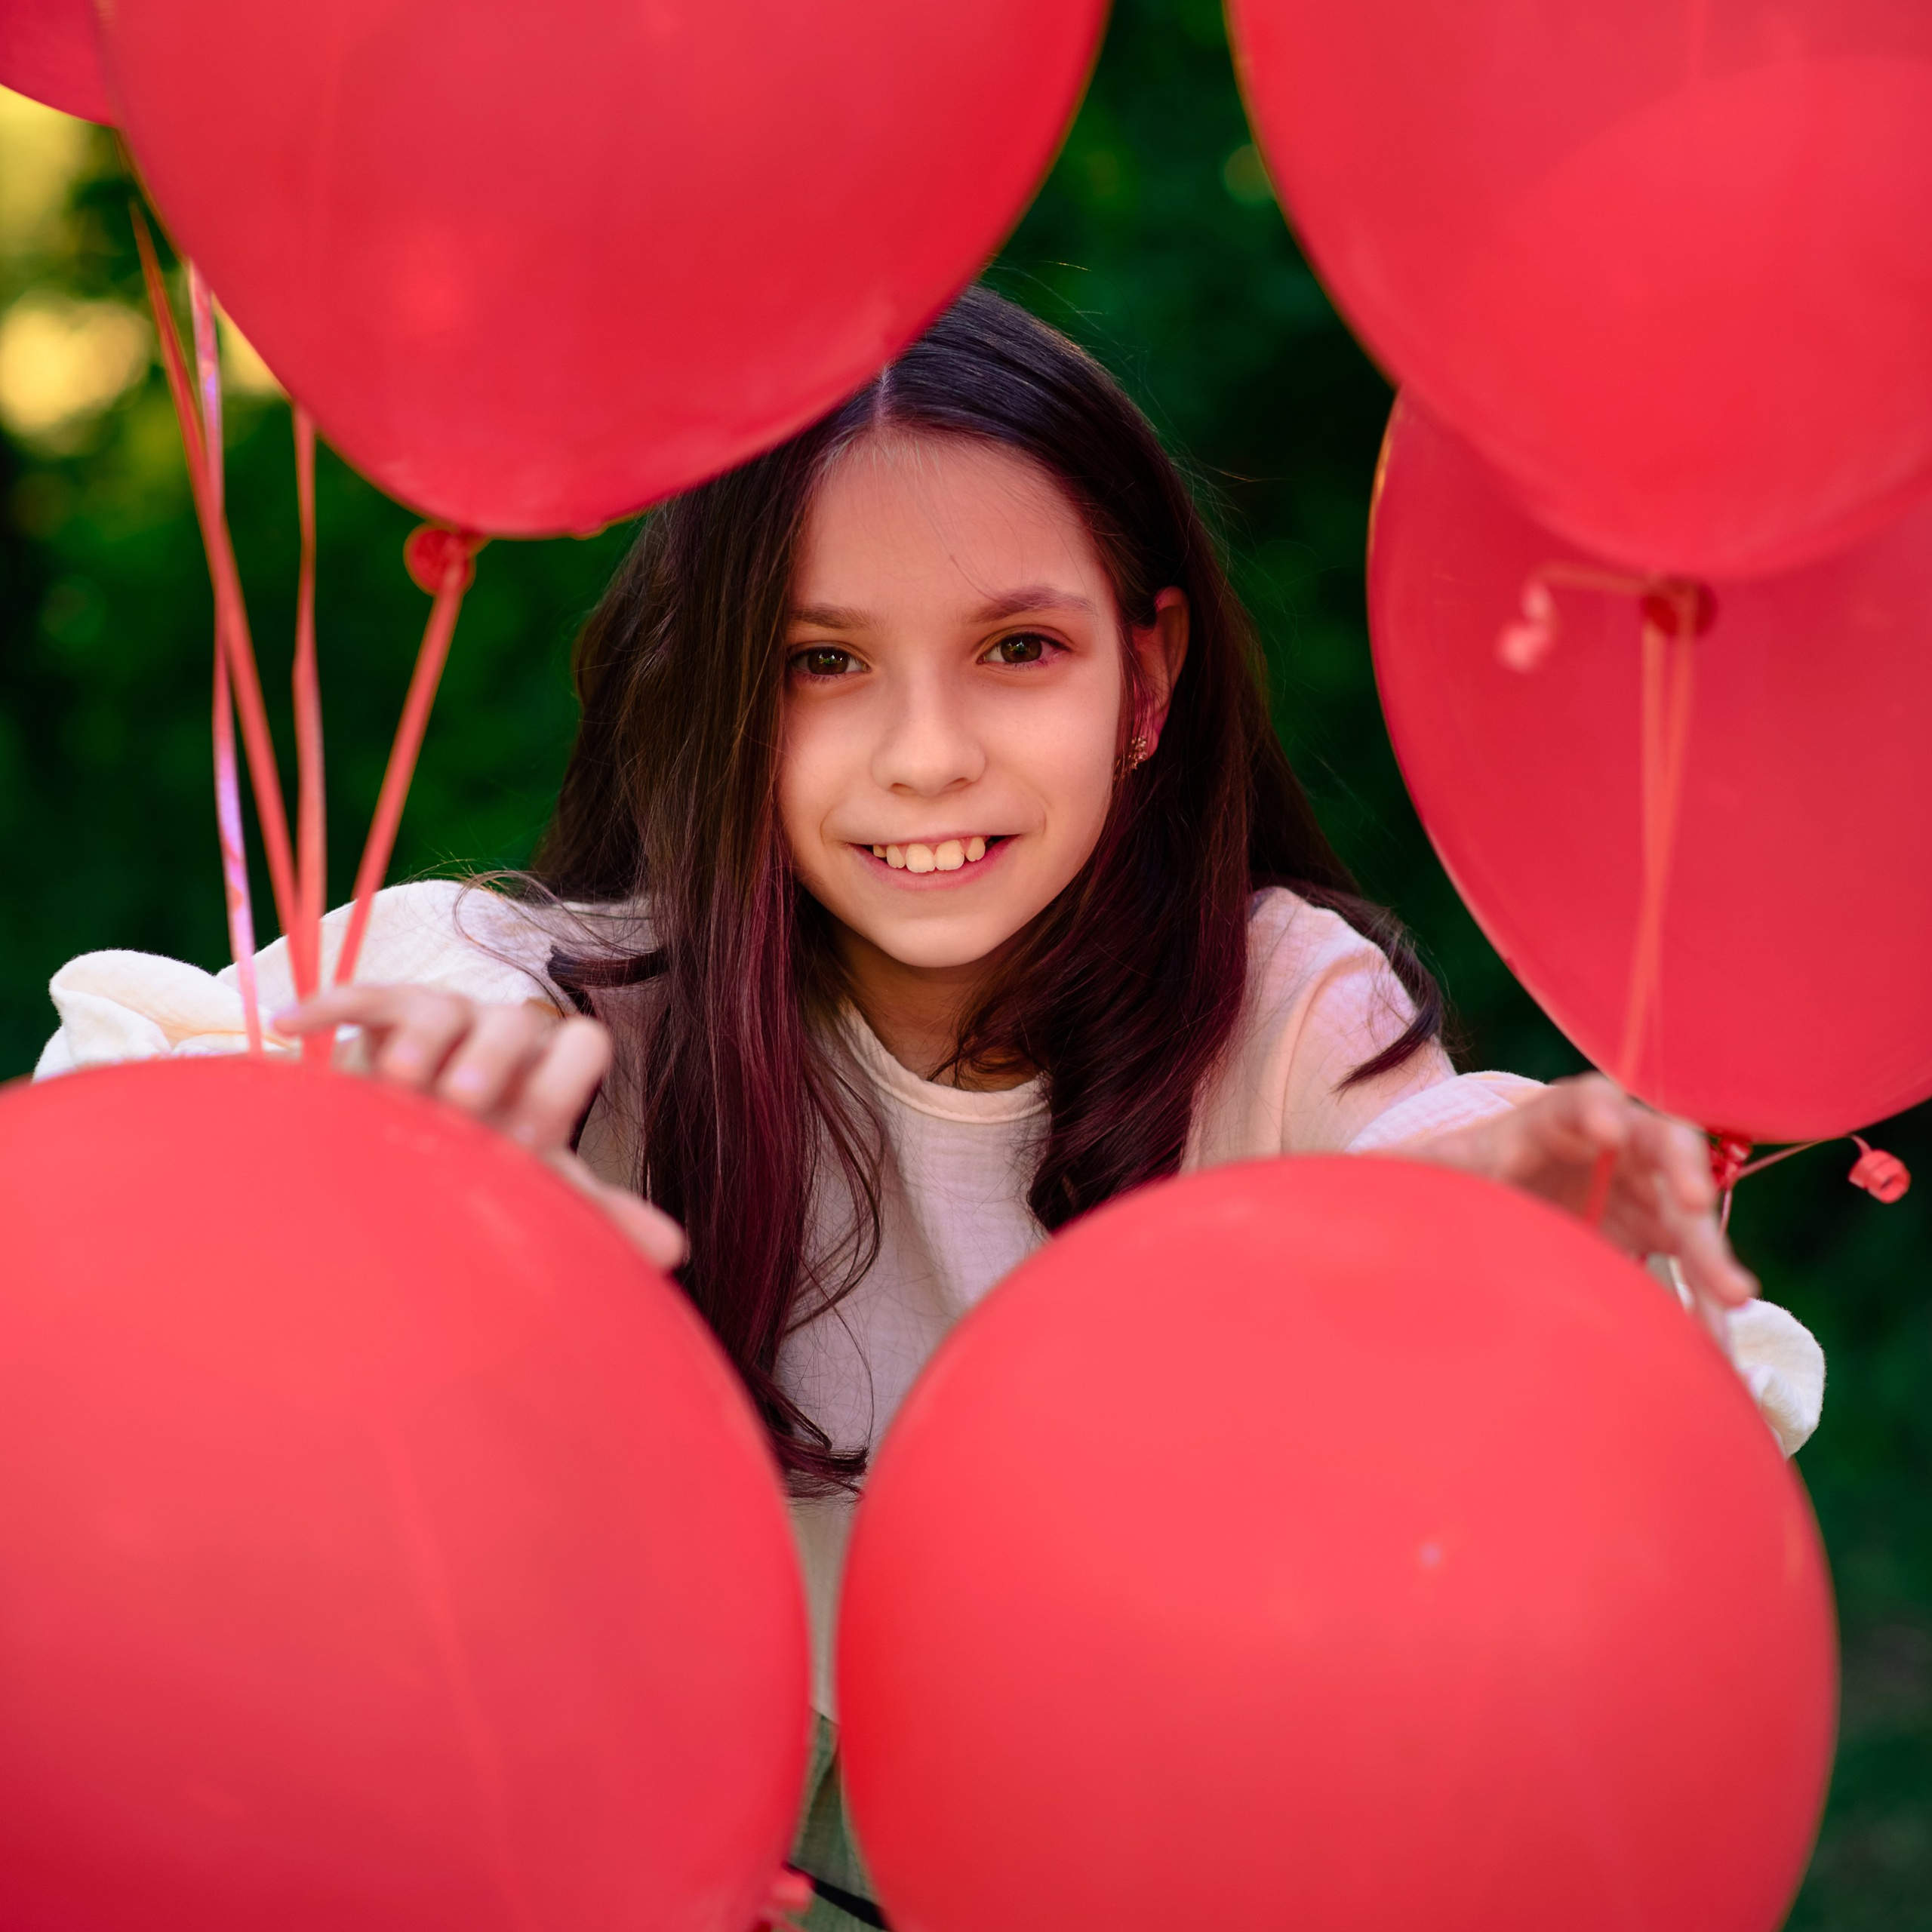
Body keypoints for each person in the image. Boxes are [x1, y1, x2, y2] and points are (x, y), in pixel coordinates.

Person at [38, 287, 1823, 1931]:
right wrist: (390, 1132)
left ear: (1151, 677)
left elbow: (1402, 1167)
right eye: (823, 663)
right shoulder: (582, 994)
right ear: (724, 695)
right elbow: (159, 1129)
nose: (923, 753)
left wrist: (1498, 1203)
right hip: (594, 1817)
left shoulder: (1273, 1007)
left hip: (1113, 1836)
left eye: (1016, 651)